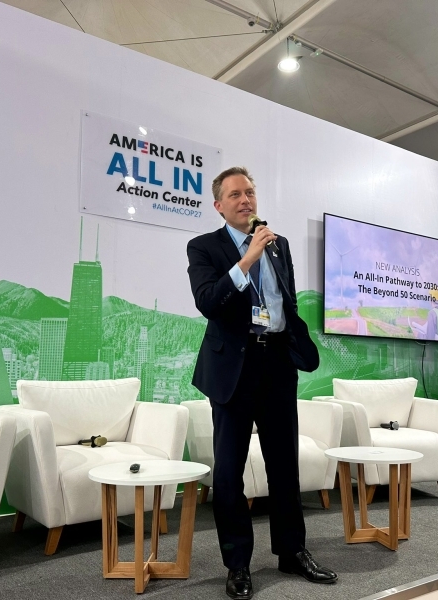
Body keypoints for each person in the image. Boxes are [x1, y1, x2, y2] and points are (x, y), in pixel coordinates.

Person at [187, 167, 337, 599]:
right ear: (219, 205)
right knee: (231, 474)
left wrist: (294, 337)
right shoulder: (204, 247)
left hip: (275, 363)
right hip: (233, 367)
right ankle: (238, 565)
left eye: (249, 192)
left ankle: (292, 553)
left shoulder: (279, 245)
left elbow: (282, 299)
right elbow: (208, 301)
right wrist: (247, 257)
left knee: (283, 466)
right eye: (235, 194)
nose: (245, 200)